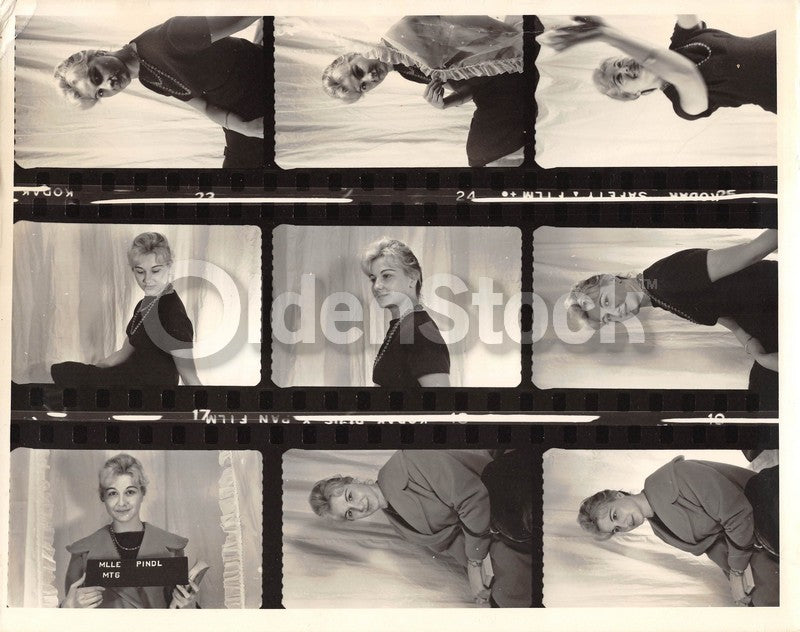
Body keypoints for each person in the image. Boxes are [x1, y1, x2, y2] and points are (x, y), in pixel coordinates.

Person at [565, 229, 778, 408]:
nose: (616, 313)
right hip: (767, 322)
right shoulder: (657, 292)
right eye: (607, 318)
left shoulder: (667, 276)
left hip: (781, 300)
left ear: (610, 280)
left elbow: (752, 252)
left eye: (606, 301)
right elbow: (729, 321)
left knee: (761, 409)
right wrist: (756, 351)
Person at [309, 449, 532, 607]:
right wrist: (481, 581)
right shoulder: (395, 520)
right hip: (489, 542)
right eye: (349, 514)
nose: (359, 507)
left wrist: (475, 565)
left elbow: (473, 498)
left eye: (350, 496)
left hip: (504, 501)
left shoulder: (409, 461)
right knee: (501, 601)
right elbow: (452, 545)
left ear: (357, 481)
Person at [53, 16, 264, 168]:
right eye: (99, 93)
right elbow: (206, 106)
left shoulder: (169, 38)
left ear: (98, 54)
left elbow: (245, 15)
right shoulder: (148, 79)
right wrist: (244, 128)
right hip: (237, 107)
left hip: (259, 78)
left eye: (96, 77)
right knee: (233, 181)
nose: (109, 86)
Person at [322, 16, 528, 166]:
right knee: (478, 156)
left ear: (353, 55)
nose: (370, 78)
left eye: (358, 72)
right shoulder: (405, 71)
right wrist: (445, 103)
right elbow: (472, 86)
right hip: (492, 88)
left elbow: (488, 34)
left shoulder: (404, 31)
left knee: (481, 155)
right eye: (363, 86)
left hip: (510, 67)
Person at [578, 456, 779, 606]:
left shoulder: (677, 475)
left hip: (766, 509)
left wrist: (736, 573)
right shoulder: (659, 530)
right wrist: (740, 586)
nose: (623, 525)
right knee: (761, 603)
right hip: (747, 545)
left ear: (618, 495)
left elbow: (737, 512)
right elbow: (717, 551)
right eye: (616, 529)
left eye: (615, 515)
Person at [545, 15, 776, 120]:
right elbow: (685, 73)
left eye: (619, 63)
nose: (624, 69)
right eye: (619, 78)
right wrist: (608, 35)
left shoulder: (683, 41)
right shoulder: (683, 105)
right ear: (636, 94)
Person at [50, 232, 202, 387]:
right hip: (125, 379)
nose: (147, 279)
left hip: (148, 392)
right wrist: (95, 372)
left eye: (155, 271)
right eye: (140, 271)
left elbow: (189, 375)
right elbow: (123, 353)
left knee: (64, 376)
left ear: (169, 266)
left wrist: (207, 404)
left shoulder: (173, 313)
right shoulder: (145, 303)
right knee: (65, 371)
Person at [61, 454, 198, 608]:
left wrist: (187, 606)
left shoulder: (172, 548)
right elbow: (66, 617)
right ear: (103, 497)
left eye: (130, 492)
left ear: (142, 493)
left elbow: (179, 611)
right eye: (113, 493)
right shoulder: (82, 552)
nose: (122, 503)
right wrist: (69, 608)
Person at [361, 238, 450, 388]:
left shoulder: (421, 331)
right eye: (373, 279)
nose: (376, 286)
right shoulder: (402, 326)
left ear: (412, 278)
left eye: (386, 276)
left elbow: (441, 400)